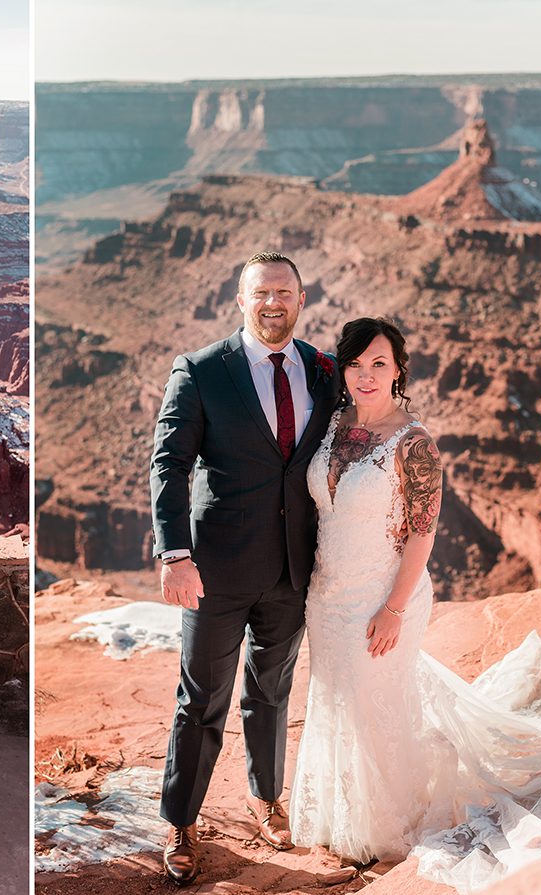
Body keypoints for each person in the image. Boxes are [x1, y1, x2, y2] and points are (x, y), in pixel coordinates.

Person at [290, 317, 541, 891]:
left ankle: (386, 828)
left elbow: (423, 533)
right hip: (327, 595)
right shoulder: (333, 423)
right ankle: (341, 815)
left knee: (378, 705)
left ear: (399, 369)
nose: (367, 375)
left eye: (380, 364)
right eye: (356, 364)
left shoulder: (413, 443)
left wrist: (393, 609)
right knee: (339, 699)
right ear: (342, 370)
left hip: (382, 595)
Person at [149, 251, 340, 884]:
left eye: (284, 292)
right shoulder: (202, 372)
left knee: (271, 692)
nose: (273, 303)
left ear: (302, 298)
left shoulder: (323, 370)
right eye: (261, 293)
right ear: (240, 300)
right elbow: (168, 465)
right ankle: (180, 820)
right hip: (215, 573)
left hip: (292, 570)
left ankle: (265, 796)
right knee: (201, 699)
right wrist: (175, 554)